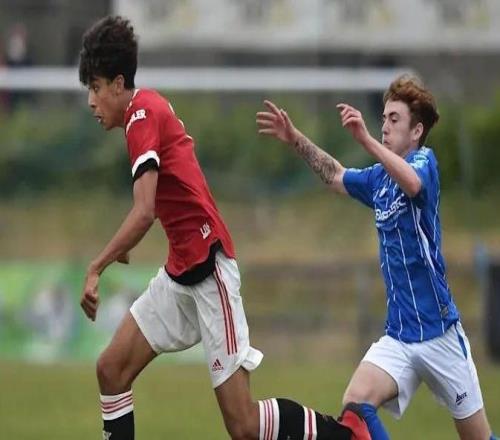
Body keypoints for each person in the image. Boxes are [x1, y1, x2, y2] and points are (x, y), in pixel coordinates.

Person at [78, 15, 370, 440]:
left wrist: (96, 266)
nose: (91, 100)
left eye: (96, 87)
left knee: (244, 426)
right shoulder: (144, 111)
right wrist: (126, 242)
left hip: (209, 270)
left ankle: (347, 434)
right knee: (111, 369)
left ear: (118, 83)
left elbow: (144, 212)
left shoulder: (142, 114)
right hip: (180, 274)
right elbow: (161, 201)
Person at [256, 75, 497, 440]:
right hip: (399, 336)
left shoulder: (424, 162)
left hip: (440, 334)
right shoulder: (378, 179)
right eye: (383, 118)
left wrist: (365, 140)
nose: (384, 125)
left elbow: (412, 184)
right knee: (356, 402)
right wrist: (295, 139)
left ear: (416, 131)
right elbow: (335, 175)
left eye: (394, 119)